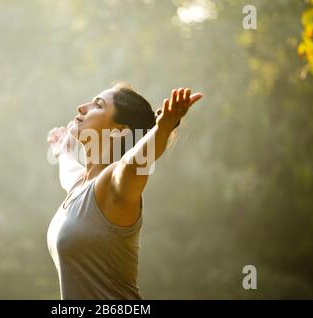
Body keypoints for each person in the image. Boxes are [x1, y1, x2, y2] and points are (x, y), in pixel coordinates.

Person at [46, 81, 203, 299]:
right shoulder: (80, 186)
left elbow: (133, 164)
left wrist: (163, 128)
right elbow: (68, 170)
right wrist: (63, 150)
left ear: (120, 131)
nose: (82, 107)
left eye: (98, 105)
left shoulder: (113, 186)